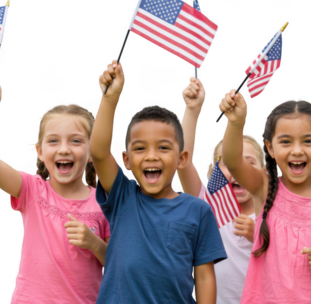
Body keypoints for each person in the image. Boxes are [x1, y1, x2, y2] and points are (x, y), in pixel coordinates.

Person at [92, 60, 227, 304]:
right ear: (127, 160)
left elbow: (205, 277)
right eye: (140, 148)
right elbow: (99, 152)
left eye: (163, 148)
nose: (152, 155)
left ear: (181, 159)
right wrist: (109, 99)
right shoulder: (122, 196)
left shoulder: (199, 210)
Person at [218, 89, 311, 303]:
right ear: (270, 147)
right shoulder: (264, 187)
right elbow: (232, 160)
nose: (297, 150)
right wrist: (236, 122)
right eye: (286, 142)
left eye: (308, 141)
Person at [0, 72, 110, 304]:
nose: (64, 149)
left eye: (76, 141)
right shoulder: (32, 189)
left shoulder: (105, 203)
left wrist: (94, 243)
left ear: (92, 153)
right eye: (53, 141)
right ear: (39, 151)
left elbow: (118, 264)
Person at [179, 77, 265, 303]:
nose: (238, 170)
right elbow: (184, 161)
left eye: (249, 163)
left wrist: (258, 235)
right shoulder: (210, 205)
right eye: (227, 163)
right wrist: (192, 109)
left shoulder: (271, 212)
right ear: (214, 170)